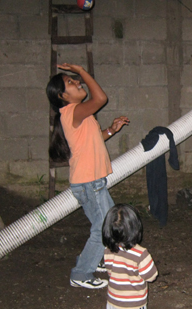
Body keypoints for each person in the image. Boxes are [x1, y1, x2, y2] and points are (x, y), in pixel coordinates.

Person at [46, 63, 129, 289]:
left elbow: (93, 140)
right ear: (63, 96)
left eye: (76, 79)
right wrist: (82, 70)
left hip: (92, 182)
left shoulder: (78, 114)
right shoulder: (72, 110)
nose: (78, 82)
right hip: (88, 183)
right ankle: (81, 273)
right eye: (71, 82)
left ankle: (92, 259)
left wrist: (111, 130)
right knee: (102, 226)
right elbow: (100, 98)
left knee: (106, 223)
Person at [102, 204, 163, 309]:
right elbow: (151, 276)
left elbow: (109, 271)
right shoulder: (140, 253)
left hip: (113, 301)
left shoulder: (108, 250)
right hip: (133, 304)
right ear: (135, 229)